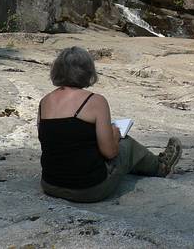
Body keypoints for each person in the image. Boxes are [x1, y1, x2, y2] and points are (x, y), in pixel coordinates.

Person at [37, 46, 182, 203]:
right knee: (127, 144)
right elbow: (110, 153)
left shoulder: (44, 102)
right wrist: (115, 134)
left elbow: (54, 139)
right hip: (88, 189)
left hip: (50, 185)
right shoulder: (95, 101)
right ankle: (161, 167)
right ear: (88, 71)